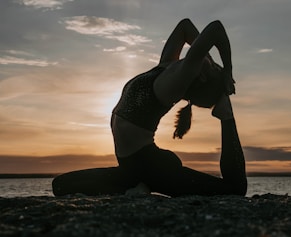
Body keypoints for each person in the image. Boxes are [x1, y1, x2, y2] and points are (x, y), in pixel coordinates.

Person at [52, 18, 247, 197]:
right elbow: (185, 26)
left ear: (201, 76)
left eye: (215, 67)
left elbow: (216, 29)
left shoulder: (180, 78)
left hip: (152, 167)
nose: (212, 61)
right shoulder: (168, 65)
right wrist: (216, 67)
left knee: (233, 190)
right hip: (133, 167)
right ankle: (137, 186)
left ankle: (226, 117)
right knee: (60, 185)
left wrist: (228, 71)